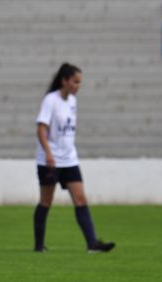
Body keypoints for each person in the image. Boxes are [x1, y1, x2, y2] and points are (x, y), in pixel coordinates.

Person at [33, 63, 115, 253]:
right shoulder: (50, 100)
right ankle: (39, 246)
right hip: (50, 160)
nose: (78, 86)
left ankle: (92, 244)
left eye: (80, 82)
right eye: (76, 82)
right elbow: (41, 129)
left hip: (69, 159)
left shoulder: (72, 102)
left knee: (80, 199)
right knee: (46, 201)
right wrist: (48, 154)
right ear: (65, 81)